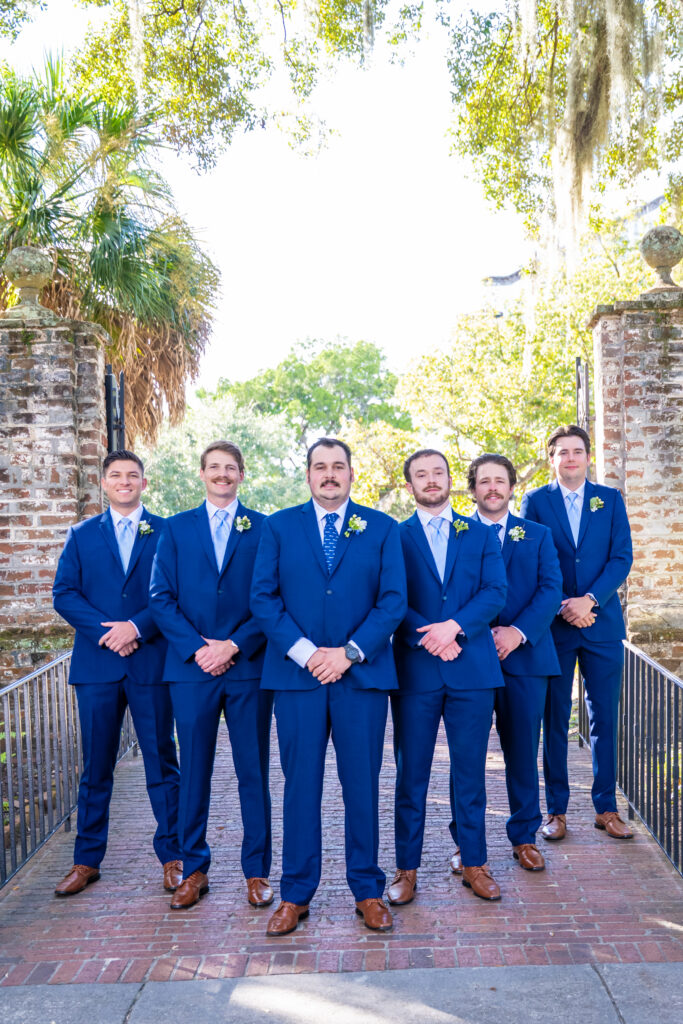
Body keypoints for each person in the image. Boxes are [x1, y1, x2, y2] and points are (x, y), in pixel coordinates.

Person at [250, 437, 407, 936]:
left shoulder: (382, 529)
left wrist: (348, 653)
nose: (330, 475)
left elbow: (393, 601)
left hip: (360, 677)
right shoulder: (277, 527)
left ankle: (367, 888)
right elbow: (263, 598)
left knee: (362, 786)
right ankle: (296, 894)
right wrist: (308, 653)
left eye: (338, 466)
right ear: (308, 476)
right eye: (321, 467)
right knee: (301, 788)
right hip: (297, 678)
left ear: (352, 474)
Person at [150, 441, 272, 910]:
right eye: (214, 468)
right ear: (202, 474)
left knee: (252, 772)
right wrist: (199, 649)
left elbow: (271, 597)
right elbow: (161, 597)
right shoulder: (176, 528)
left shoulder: (264, 528)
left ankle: (257, 871)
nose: (223, 475)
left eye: (231, 468)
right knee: (194, 769)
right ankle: (193, 868)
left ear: (242, 475)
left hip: (247, 669)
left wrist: (234, 644)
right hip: (191, 669)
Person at [52, 449, 181, 896]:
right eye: (115, 475)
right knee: (96, 766)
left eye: (132, 475)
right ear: (103, 483)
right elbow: (64, 593)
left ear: (144, 482)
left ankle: (174, 855)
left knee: (162, 762)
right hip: (98, 665)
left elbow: (174, 593)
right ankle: (86, 860)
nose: (124, 481)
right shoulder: (82, 534)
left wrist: (136, 628)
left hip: (150, 663)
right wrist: (108, 633)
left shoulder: (167, 532)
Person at [389, 449, 507, 905]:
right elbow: (390, 597)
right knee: (410, 775)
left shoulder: (478, 534)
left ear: (451, 480)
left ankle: (474, 862)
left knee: (470, 774)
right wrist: (428, 636)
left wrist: (453, 628)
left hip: (472, 670)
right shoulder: (393, 536)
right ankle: (406, 869)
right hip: (416, 672)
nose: (431, 480)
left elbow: (495, 591)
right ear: (410, 486)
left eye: (438, 472)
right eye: (421, 474)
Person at [520, 425, 634, 841]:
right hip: (554, 626)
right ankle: (556, 811)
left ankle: (606, 807)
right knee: (554, 719)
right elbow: (529, 559)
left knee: (604, 717)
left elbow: (622, 557)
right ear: (552, 458)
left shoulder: (610, 500)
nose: (570, 458)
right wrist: (565, 604)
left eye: (577, 451)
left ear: (588, 457)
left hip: (601, 625)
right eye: (562, 452)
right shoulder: (535, 502)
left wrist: (590, 600)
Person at [454, 453, 562, 871]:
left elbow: (551, 589)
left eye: (500, 480)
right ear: (473, 489)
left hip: (527, 659)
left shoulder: (536, 534)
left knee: (522, 752)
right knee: (467, 757)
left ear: (512, 487)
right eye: (484, 481)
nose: (493, 488)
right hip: (470, 661)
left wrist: (517, 633)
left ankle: (524, 836)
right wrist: (479, 634)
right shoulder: (457, 533)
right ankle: (466, 842)